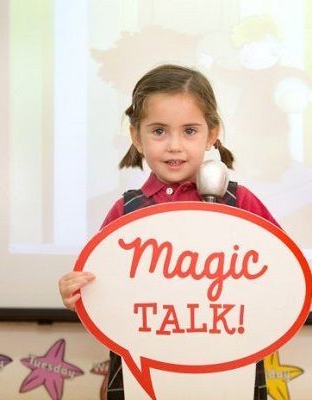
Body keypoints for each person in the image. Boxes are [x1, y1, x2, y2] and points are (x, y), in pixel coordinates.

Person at [59, 64, 278, 400]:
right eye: (159, 131)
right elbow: (103, 289)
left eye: (189, 131)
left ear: (212, 133)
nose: (174, 145)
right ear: (136, 136)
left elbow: (281, 273)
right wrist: (78, 293)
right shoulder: (126, 212)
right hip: (142, 370)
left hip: (228, 368)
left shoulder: (241, 203)